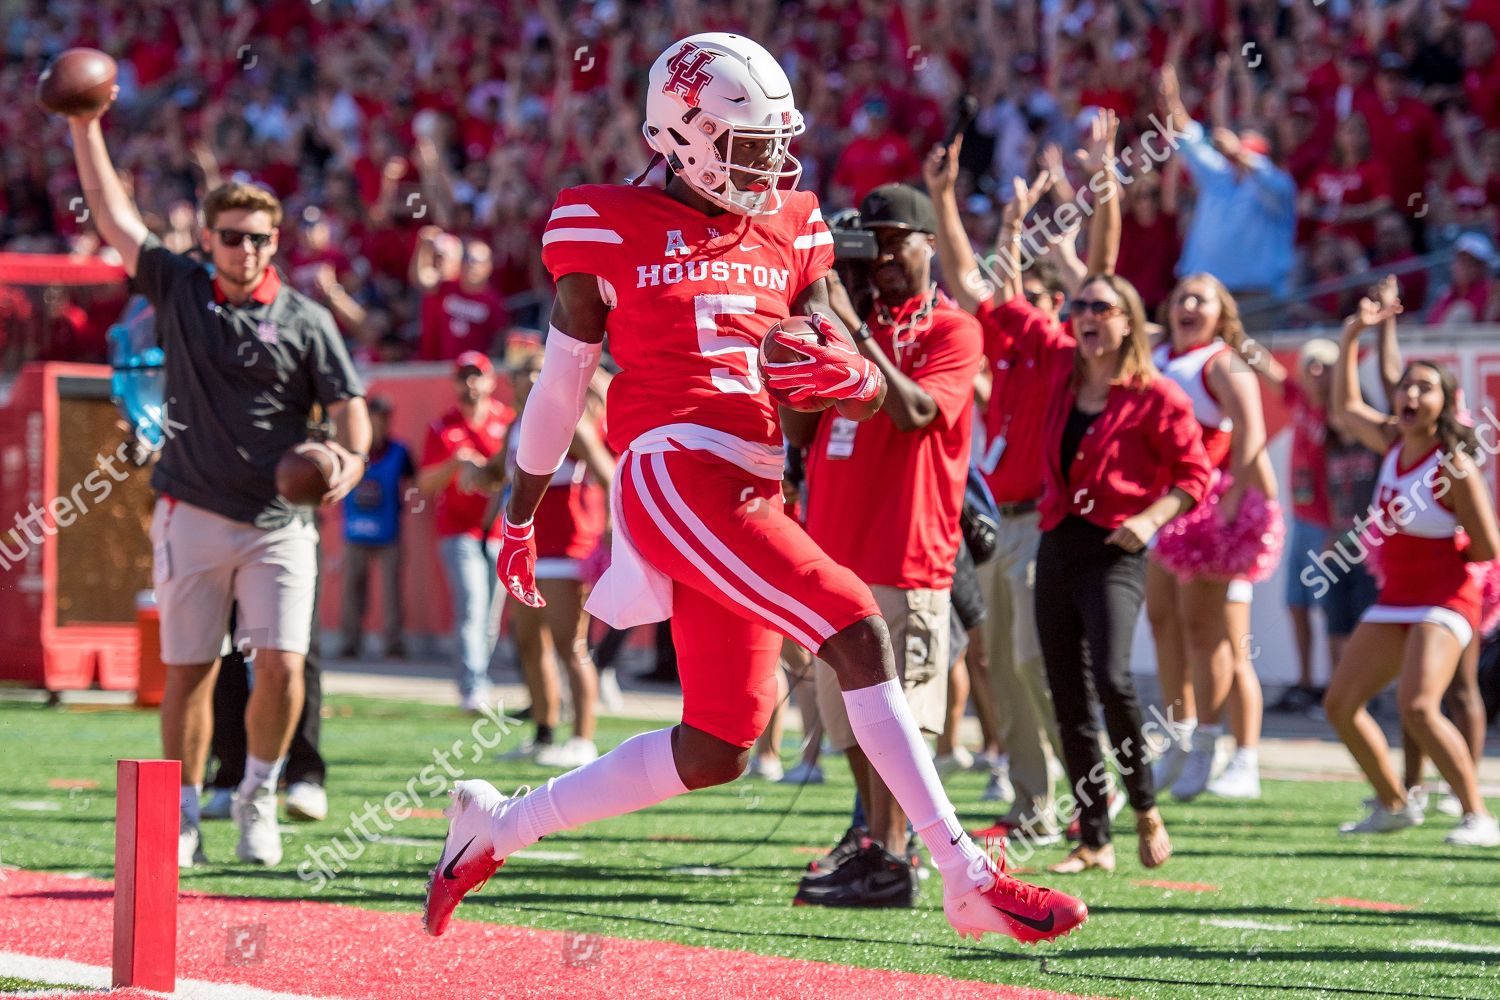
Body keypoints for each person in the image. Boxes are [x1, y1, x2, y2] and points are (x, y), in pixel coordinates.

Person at [423, 32, 1086, 945]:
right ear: (681, 134)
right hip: (671, 468)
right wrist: (521, 513)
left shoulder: (793, 221)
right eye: (746, 143)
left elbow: (825, 372)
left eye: (776, 141)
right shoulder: (601, 218)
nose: (769, 162)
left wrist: (844, 378)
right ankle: (963, 871)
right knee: (856, 623)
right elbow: (562, 382)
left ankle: (501, 823)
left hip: (755, 482)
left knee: (720, 745)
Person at [63, 95, 370, 869]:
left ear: (275, 242)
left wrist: (352, 461)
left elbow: (349, 405)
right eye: (231, 238)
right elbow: (112, 214)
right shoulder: (179, 288)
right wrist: (82, 127)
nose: (246, 251)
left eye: (259, 239)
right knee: (190, 671)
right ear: (208, 239)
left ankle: (258, 795)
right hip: (192, 508)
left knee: (283, 664)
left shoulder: (304, 316)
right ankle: (185, 809)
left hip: (278, 518)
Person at [783, 182, 983, 908]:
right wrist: (816, 328)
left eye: (899, 239)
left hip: (905, 554)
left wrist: (852, 329)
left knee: (896, 728)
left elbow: (917, 411)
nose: (887, 255)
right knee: (852, 730)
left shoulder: (953, 330)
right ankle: (875, 850)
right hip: (833, 561)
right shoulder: (850, 323)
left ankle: (893, 861)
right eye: (874, 242)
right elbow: (800, 431)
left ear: (932, 242)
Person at [924, 114, 1119, 847]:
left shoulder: (1066, 350)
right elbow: (971, 279)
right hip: (1001, 524)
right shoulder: (1004, 348)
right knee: (1003, 669)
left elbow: (1100, 273)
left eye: (1038, 292)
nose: (1019, 297)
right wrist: (943, 198)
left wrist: (1101, 181)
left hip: (1042, 521)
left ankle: (1088, 802)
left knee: (1039, 666)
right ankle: (1036, 810)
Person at [1030, 268, 1212, 872]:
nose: (1087, 314)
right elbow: (1008, 310)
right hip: (1057, 543)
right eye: (1080, 306)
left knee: (1113, 680)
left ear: (1127, 320)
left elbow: (1194, 473)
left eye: (1102, 307)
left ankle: (1145, 807)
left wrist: (1153, 517)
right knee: (1069, 699)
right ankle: (1095, 840)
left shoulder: (1156, 394)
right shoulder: (1060, 375)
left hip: (1116, 550)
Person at [1323, 293, 1500, 847]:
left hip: (1446, 597)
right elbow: (1345, 407)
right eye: (1405, 387)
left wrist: (1443, 556)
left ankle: (1477, 815)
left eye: (1425, 388)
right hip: (1396, 594)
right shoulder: (1392, 441)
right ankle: (1395, 803)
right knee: (1340, 704)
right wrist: (1353, 334)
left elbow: (1487, 544)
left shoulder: (1455, 466)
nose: (1410, 394)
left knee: (1420, 707)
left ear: (1445, 405)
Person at [1148, 274, 1284, 802]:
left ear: (1221, 313)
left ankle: (1229, 750)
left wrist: (1227, 510)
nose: (1187, 305)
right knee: (1164, 622)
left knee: (1217, 637)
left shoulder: (1221, 361)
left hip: (1214, 510)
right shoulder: (1159, 353)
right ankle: (1181, 735)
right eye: (1180, 295)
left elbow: (1250, 433)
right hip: (1169, 507)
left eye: (1200, 299)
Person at [502, 339, 612, 768]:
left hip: (568, 546)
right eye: (523, 371)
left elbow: (609, 474)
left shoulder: (572, 423)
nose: (530, 377)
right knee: (529, 643)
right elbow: (499, 472)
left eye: (538, 370)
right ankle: (544, 733)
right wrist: (474, 469)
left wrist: (607, 528)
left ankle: (583, 738)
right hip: (526, 549)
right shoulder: (516, 425)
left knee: (571, 645)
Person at [1245, 339, 1337, 713]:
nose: (1315, 373)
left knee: (1330, 607)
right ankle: (1305, 681)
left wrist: (1340, 528)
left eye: (1324, 366)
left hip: (1328, 524)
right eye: (1310, 364)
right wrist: (1241, 342)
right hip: (1300, 519)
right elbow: (1271, 372)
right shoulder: (1300, 398)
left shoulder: (1340, 414)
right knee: (1297, 603)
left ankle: (1335, 684)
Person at [419, 351, 514, 711]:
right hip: (458, 530)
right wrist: (455, 464)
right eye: (464, 376)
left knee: (490, 615)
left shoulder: (506, 421)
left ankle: (480, 677)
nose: (471, 383)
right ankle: (472, 684)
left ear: (491, 381)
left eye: (477, 376)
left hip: (499, 531)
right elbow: (425, 485)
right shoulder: (442, 427)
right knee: (471, 606)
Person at [1156, 64, 1297, 306]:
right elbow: (1187, 134)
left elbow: (1269, 178)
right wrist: (1172, 100)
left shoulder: (1277, 186)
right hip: (1206, 298)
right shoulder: (1218, 176)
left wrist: (1239, 152)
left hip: (1257, 299)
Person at [338, 396, 415, 659]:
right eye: (372, 418)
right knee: (352, 591)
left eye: (382, 418)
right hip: (355, 533)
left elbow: (414, 485)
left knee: (391, 592)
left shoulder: (400, 452)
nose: (378, 423)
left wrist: (413, 507)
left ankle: (393, 643)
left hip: (388, 533)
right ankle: (350, 642)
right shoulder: (349, 451)